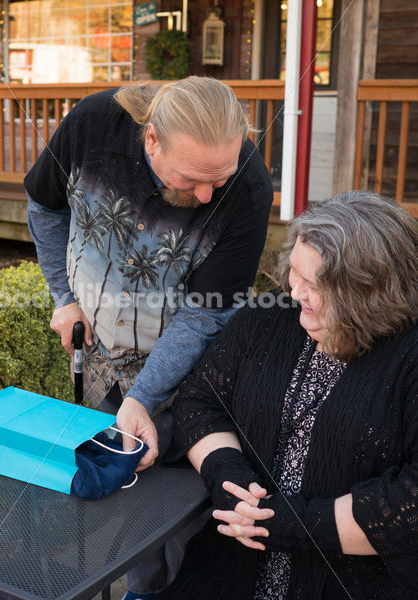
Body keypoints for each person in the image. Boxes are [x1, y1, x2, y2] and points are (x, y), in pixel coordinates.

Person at [24, 76, 273, 598]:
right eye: (192, 177)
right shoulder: (90, 125)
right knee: (131, 486)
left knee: (184, 508)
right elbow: (46, 207)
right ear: (152, 139)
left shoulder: (247, 183)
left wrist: (143, 395)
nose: (206, 195)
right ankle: (141, 588)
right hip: (98, 352)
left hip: (189, 364)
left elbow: (206, 315)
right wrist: (62, 296)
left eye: (218, 179)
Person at [157, 191, 418, 600]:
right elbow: (201, 400)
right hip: (228, 574)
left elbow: (410, 503)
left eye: (312, 284)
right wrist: (230, 477)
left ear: (367, 294)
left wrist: (279, 523)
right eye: (294, 271)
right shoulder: (270, 315)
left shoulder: (409, 357)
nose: (294, 292)